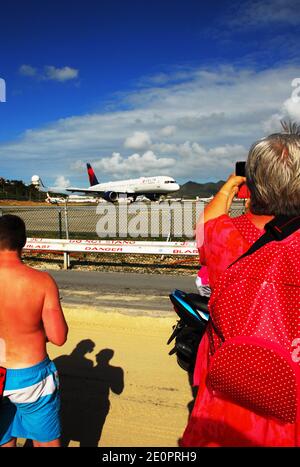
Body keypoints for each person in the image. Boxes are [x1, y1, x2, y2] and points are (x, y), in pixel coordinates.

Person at [181, 121, 300, 447]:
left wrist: (228, 187)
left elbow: (204, 227)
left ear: (253, 182)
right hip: (289, 399)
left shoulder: (223, 236)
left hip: (227, 392)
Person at [0, 214, 68, 448]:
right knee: (45, 442)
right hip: (31, 377)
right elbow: (59, 338)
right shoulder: (42, 281)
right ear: (24, 242)